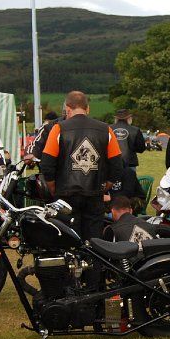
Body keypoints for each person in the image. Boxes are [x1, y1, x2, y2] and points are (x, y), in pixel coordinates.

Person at [40, 91, 125, 246]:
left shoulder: (59, 128)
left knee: (68, 240)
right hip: (94, 194)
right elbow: (117, 165)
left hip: (65, 194)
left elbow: (46, 163)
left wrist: (53, 188)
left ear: (67, 109)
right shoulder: (105, 129)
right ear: (88, 108)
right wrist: (105, 186)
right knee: (94, 242)